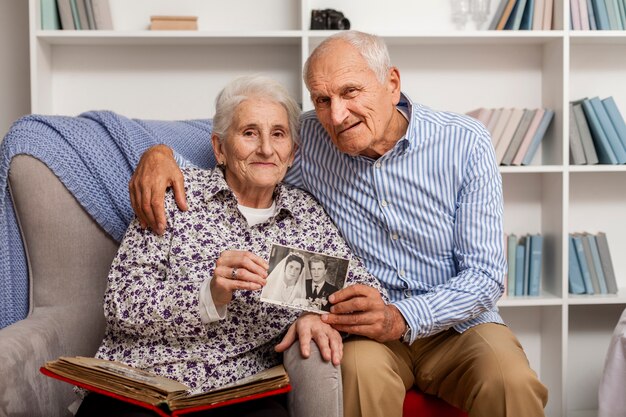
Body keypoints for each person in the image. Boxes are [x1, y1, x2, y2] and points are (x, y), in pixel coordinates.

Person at [128, 31, 549, 417]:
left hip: (457, 323)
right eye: (322, 99)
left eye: (350, 92)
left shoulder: (466, 141)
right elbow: (238, 149)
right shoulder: (305, 138)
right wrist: (158, 154)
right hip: (364, 330)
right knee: (356, 373)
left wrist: (401, 316)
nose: (338, 115)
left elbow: (487, 276)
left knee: (510, 382)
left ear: (392, 84)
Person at [77, 74, 385, 417]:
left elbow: (365, 293)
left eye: (278, 134)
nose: (266, 148)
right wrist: (208, 294)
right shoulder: (175, 195)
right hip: (142, 382)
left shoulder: (307, 217)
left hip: (239, 391)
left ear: (293, 154)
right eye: (250, 132)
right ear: (219, 148)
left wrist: (321, 316)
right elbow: (120, 304)